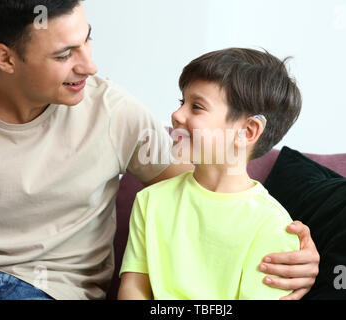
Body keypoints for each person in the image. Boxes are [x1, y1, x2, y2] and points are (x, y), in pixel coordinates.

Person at [0, 0, 319, 300]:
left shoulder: (115, 114)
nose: (90, 66)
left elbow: (211, 189)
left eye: (87, 40)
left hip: (50, 290)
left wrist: (297, 245)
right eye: (64, 54)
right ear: (6, 58)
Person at [118, 48, 304, 300]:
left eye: (196, 107)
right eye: (182, 102)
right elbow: (134, 289)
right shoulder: (150, 201)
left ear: (247, 131)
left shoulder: (271, 224)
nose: (176, 115)